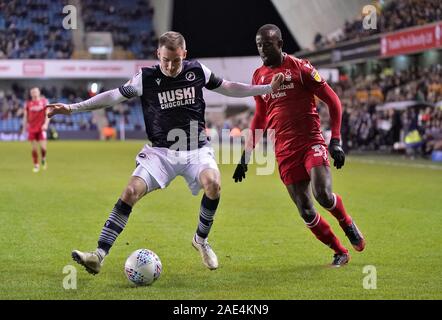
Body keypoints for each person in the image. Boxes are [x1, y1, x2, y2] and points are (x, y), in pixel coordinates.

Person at [47, 31, 284, 274]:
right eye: (165, 60)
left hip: (196, 150)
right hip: (160, 153)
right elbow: (113, 97)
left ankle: (200, 241)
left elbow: (229, 88)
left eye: (176, 60)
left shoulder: (198, 71)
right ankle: (98, 255)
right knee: (130, 192)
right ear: (158, 55)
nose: (170, 66)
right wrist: (72, 108)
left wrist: (265, 88)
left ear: (185, 55)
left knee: (213, 184)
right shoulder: (146, 78)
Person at [233, 24, 365, 267]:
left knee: (323, 195)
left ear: (280, 44)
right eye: (259, 45)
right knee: (305, 209)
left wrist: (335, 140)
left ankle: (346, 222)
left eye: (267, 44)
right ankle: (339, 251)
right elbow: (260, 117)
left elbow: (333, 101)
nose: (262, 49)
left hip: (310, 141)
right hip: (283, 150)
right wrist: (246, 154)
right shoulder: (258, 76)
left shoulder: (300, 68)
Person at [22, 87, 50, 172]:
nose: (34, 93)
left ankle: (44, 159)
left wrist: (45, 124)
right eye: (32, 92)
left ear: (39, 92)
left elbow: (48, 114)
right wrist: (24, 128)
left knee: (43, 148)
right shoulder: (28, 104)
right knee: (34, 148)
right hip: (32, 128)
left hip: (41, 128)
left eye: (35, 91)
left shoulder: (44, 102)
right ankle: (36, 165)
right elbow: (25, 117)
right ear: (31, 94)